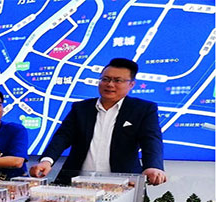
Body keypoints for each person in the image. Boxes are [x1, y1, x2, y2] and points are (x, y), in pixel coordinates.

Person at [30, 58, 166, 185]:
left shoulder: (143, 109)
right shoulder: (81, 108)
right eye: (105, 79)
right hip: (77, 183)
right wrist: (46, 161)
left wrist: (153, 166)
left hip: (123, 184)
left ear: (131, 84)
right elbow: (62, 137)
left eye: (117, 80)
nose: (110, 84)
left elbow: (151, 140)